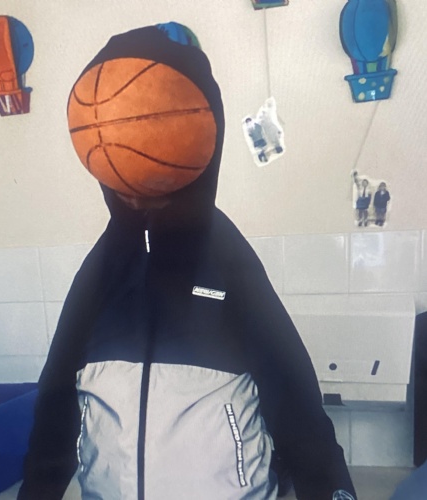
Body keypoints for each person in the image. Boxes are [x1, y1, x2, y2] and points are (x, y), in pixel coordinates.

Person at [18, 25, 356, 500]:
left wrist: (333, 491)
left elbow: (296, 403)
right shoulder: (102, 273)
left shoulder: (229, 263)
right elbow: (55, 404)